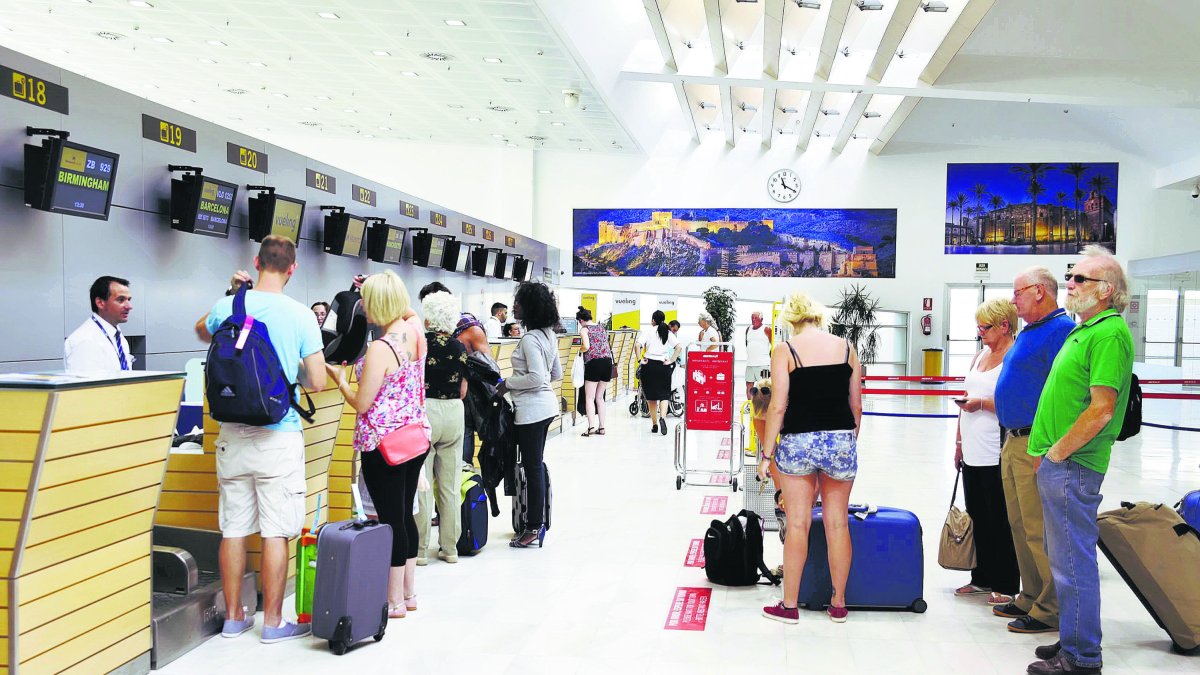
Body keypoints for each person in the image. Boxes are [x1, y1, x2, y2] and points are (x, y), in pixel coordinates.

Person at [193, 236, 327, 643]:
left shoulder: (230, 305)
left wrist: (234, 294)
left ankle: (234, 617)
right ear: (293, 268)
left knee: (233, 527)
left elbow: (202, 331)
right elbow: (318, 382)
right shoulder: (301, 315)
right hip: (278, 432)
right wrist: (295, 372)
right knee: (275, 530)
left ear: (255, 262)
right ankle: (271, 623)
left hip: (230, 433)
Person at [1026, 247, 1133, 675]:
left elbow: (1102, 408)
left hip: (1072, 465)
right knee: (1063, 559)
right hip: (1060, 465)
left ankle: (1083, 657)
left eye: (1079, 279)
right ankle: (1073, 637)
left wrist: (1056, 452)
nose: (1069, 284)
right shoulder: (1084, 329)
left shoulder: (1108, 333)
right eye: (1070, 277)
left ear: (1105, 290)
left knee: (1073, 562)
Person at [326, 270, 429, 619]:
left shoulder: (381, 349)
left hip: (383, 445)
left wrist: (341, 381)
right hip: (414, 439)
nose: (361, 309)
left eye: (366, 302)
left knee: (390, 521)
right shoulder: (415, 332)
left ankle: (394, 601)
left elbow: (362, 403)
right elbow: (409, 310)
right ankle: (409, 593)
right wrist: (380, 281)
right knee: (405, 515)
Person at [758, 292, 861, 625]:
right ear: (819, 317)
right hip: (840, 440)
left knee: (799, 523)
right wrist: (846, 441)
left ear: (791, 320)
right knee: (837, 523)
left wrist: (766, 454)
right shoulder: (847, 348)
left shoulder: (785, 350)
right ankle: (839, 604)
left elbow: (777, 405)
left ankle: (789, 606)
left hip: (798, 442)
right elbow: (856, 405)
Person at [992, 266, 1076, 635]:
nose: (1013, 300)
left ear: (1040, 291)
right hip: (1013, 439)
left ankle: (1050, 607)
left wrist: (1048, 446)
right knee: (1019, 522)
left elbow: (1066, 394)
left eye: (1018, 292)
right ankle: (1029, 594)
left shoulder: (1061, 332)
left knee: (1039, 527)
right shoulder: (1031, 332)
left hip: (1035, 443)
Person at [951, 298, 1020, 607]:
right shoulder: (980, 355)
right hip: (973, 448)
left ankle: (1006, 582)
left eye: (985, 327)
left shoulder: (1015, 356)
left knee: (1000, 518)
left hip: (998, 448)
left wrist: (981, 405)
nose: (980, 333)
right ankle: (981, 576)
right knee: (977, 514)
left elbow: (1016, 402)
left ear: (1004, 325)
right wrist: (959, 441)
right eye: (978, 327)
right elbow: (967, 397)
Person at [498, 282, 562, 548]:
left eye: (519, 302)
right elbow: (555, 374)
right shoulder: (548, 335)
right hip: (546, 408)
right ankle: (535, 522)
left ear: (530, 307)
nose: (514, 306)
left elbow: (536, 377)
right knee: (534, 465)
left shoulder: (530, 339)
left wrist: (507, 384)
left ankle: (534, 526)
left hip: (532, 411)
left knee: (533, 467)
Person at [416, 291, 469, 565]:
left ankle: (421, 550)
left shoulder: (420, 345)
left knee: (422, 483)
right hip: (453, 413)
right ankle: (450, 548)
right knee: (449, 484)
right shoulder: (460, 347)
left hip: (426, 410)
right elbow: (463, 389)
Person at [64, 275, 135, 372]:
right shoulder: (85, 341)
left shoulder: (118, 337)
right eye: (121, 300)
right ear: (100, 303)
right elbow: (86, 386)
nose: (129, 306)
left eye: (129, 300)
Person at [638, 310, 682, 436]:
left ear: (653, 320)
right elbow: (678, 347)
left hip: (649, 365)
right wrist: (672, 360)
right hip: (664, 366)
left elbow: (637, 345)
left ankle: (654, 424)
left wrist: (640, 359)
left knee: (651, 397)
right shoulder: (667, 332)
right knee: (664, 395)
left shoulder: (648, 331)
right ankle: (663, 417)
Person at [577, 306, 613, 437]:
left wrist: (578, 350)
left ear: (581, 320)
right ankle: (602, 427)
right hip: (607, 363)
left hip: (594, 363)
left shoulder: (584, 329)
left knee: (590, 397)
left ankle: (591, 427)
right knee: (600, 398)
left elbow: (586, 346)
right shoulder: (601, 327)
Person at [745, 310, 773, 398]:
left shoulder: (767, 329)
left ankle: (765, 407)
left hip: (763, 364)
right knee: (749, 384)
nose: (753, 320)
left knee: (764, 386)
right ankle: (750, 406)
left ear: (762, 319)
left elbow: (773, 344)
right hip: (750, 363)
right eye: (752, 318)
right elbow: (747, 344)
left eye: (756, 318)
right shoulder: (748, 329)